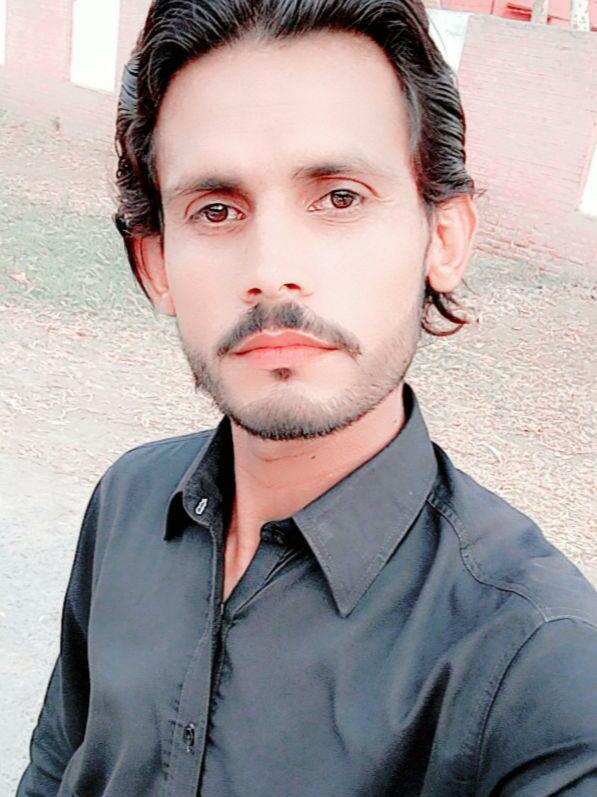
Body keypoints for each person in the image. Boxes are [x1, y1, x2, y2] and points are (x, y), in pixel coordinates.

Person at [16, 0, 597, 795]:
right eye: (216, 210)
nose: (272, 267)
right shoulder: (127, 501)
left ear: (443, 237)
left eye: (339, 197)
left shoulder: (542, 662)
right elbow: (57, 765)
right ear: (154, 263)